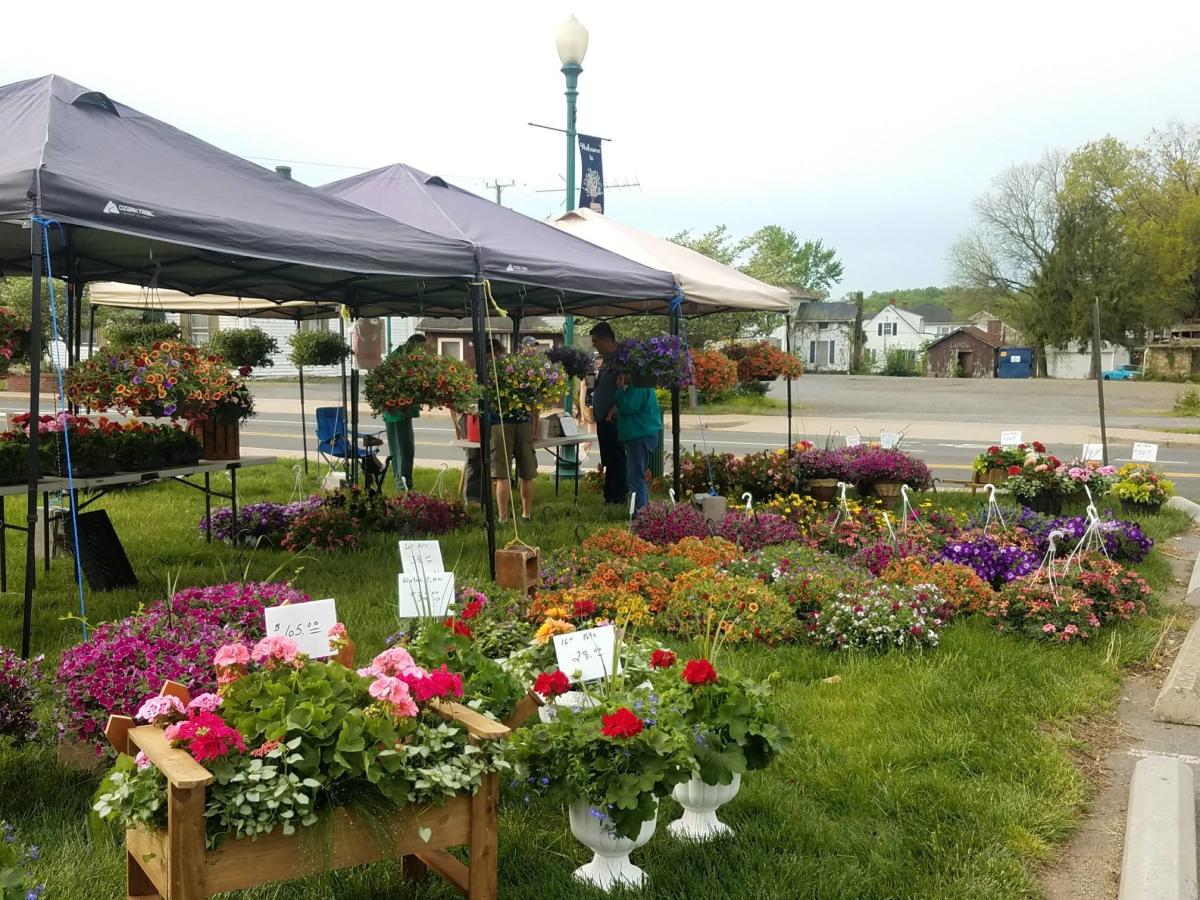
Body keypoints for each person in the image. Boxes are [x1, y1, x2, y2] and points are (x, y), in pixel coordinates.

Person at [488, 340, 538, 522]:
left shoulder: (491, 370)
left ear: (490, 353)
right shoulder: (519, 367)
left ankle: (503, 518)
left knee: (502, 474)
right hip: (523, 422)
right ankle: (526, 514)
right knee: (527, 472)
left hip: (500, 424)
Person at [588, 322, 627, 505]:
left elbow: (625, 388)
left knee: (616, 458)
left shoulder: (620, 359)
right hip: (602, 418)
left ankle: (618, 496)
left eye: (596, 341)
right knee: (609, 459)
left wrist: (612, 413)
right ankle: (610, 496)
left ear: (606, 339)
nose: (594, 345)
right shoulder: (607, 359)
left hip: (612, 419)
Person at [383, 334, 426, 491]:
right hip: (398, 412)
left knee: (399, 449)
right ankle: (404, 485)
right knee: (404, 449)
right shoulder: (403, 359)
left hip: (396, 411)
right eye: (423, 349)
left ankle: (402, 482)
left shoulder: (399, 355)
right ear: (416, 347)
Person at [615, 372, 662, 513]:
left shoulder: (639, 386)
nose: (622, 375)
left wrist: (619, 390)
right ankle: (645, 511)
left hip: (640, 435)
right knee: (637, 475)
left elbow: (627, 407)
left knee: (635, 476)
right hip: (640, 434)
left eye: (624, 372)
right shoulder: (641, 385)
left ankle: (640, 514)